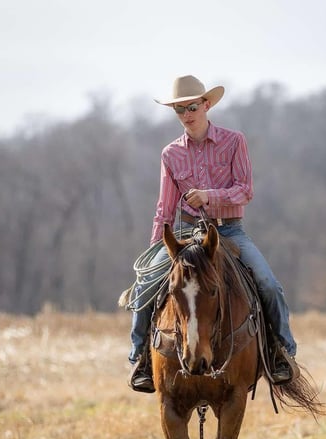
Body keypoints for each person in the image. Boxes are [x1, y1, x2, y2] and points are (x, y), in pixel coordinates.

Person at [128, 75, 299, 393]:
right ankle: (140, 360)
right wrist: (157, 248)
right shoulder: (170, 154)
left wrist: (210, 196)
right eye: (180, 110)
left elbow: (245, 191)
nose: (187, 114)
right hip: (185, 232)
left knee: (267, 283)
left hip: (229, 232)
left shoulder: (234, 141)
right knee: (144, 288)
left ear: (206, 105)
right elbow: (164, 209)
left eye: (192, 107)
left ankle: (281, 353)